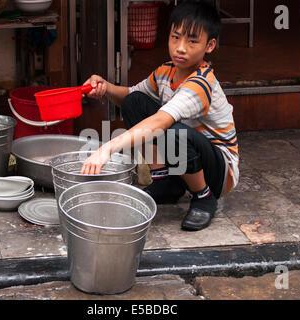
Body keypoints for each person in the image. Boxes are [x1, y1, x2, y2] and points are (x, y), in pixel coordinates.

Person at [80, 0, 239, 231]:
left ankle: (203, 197)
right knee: (135, 102)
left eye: (192, 40)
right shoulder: (166, 71)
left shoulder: (201, 84)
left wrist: (106, 149)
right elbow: (130, 96)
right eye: (176, 37)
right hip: (185, 156)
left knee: (171, 130)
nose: (181, 47)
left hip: (219, 171)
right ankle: (165, 181)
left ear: (210, 45)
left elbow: (159, 121)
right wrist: (105, 87)